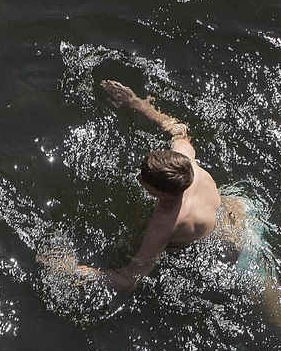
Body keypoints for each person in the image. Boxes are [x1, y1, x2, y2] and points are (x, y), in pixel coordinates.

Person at [87, 79, 221, 291]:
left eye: (145, 181)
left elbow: (130, 280)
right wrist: (137, 104)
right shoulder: (186, 161)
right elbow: (179, 130)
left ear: (164, 195)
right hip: (241, 215)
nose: (139, 179)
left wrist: (72, 270)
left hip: (220, 249)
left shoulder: (164, 224)